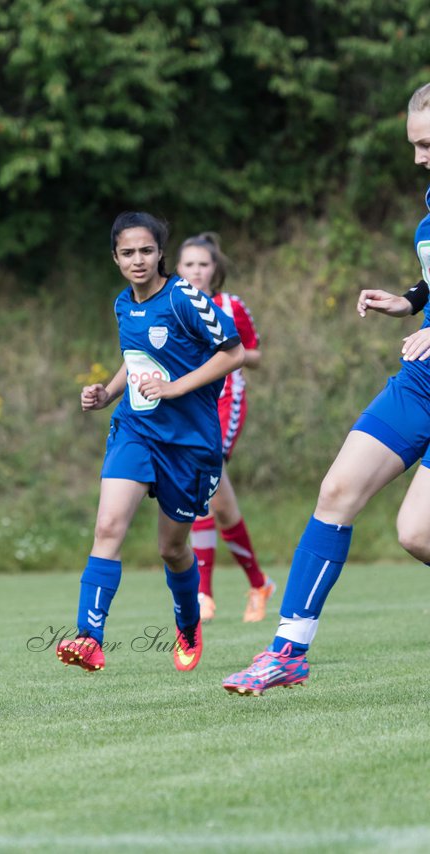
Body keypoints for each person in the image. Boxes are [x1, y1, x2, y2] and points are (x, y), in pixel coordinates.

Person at [222, 84, 430, 696]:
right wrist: (412, 301)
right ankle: (288, 651)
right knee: (337, 488)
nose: (419, 157)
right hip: (422, 380)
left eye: (428, 144)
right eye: (415, 145)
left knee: (417, 532)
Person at [59, 212, 245, 674]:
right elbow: (136, 359)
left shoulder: (186, 299)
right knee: (107, 528)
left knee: (172, 550)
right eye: (127, 253)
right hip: (136, 430)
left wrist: (179, 387)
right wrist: (107, 391)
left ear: (162, 253)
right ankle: (89, 638)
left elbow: (234, 352)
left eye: (146, 251)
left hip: (189, 446)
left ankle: (187, 624)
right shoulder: (124, 304)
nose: (137, 260)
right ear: (116, 258)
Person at [176, 233, 276, 623]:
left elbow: (254, 355)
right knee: (214, 501)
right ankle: (258, 582)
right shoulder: (172, 306)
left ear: (215, 269)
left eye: (203, 264)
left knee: (205, 488)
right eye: (189, 264)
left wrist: (226, 353)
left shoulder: (230, 305)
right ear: (177, 269)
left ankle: (204, 593)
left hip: (224, 403)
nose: (196, 271)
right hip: (186, 406)